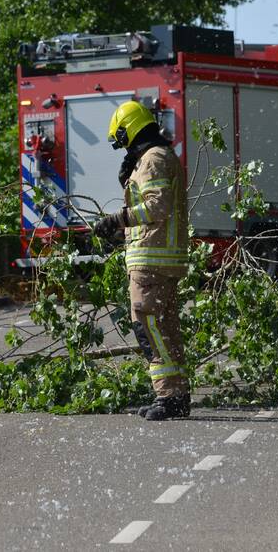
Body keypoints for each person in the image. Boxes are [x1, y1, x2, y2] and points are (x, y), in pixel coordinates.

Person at [94, 101, 190, 421]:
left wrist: (116, 220)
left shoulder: (152, 159)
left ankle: (168, 395)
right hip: (161, 258)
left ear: (129, 131)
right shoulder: (160, 157)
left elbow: (156, 208)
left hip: (151, 260)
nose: (124, 149)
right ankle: (177, 394)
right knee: (165, 328)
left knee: (147, 327)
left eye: (122, 141)